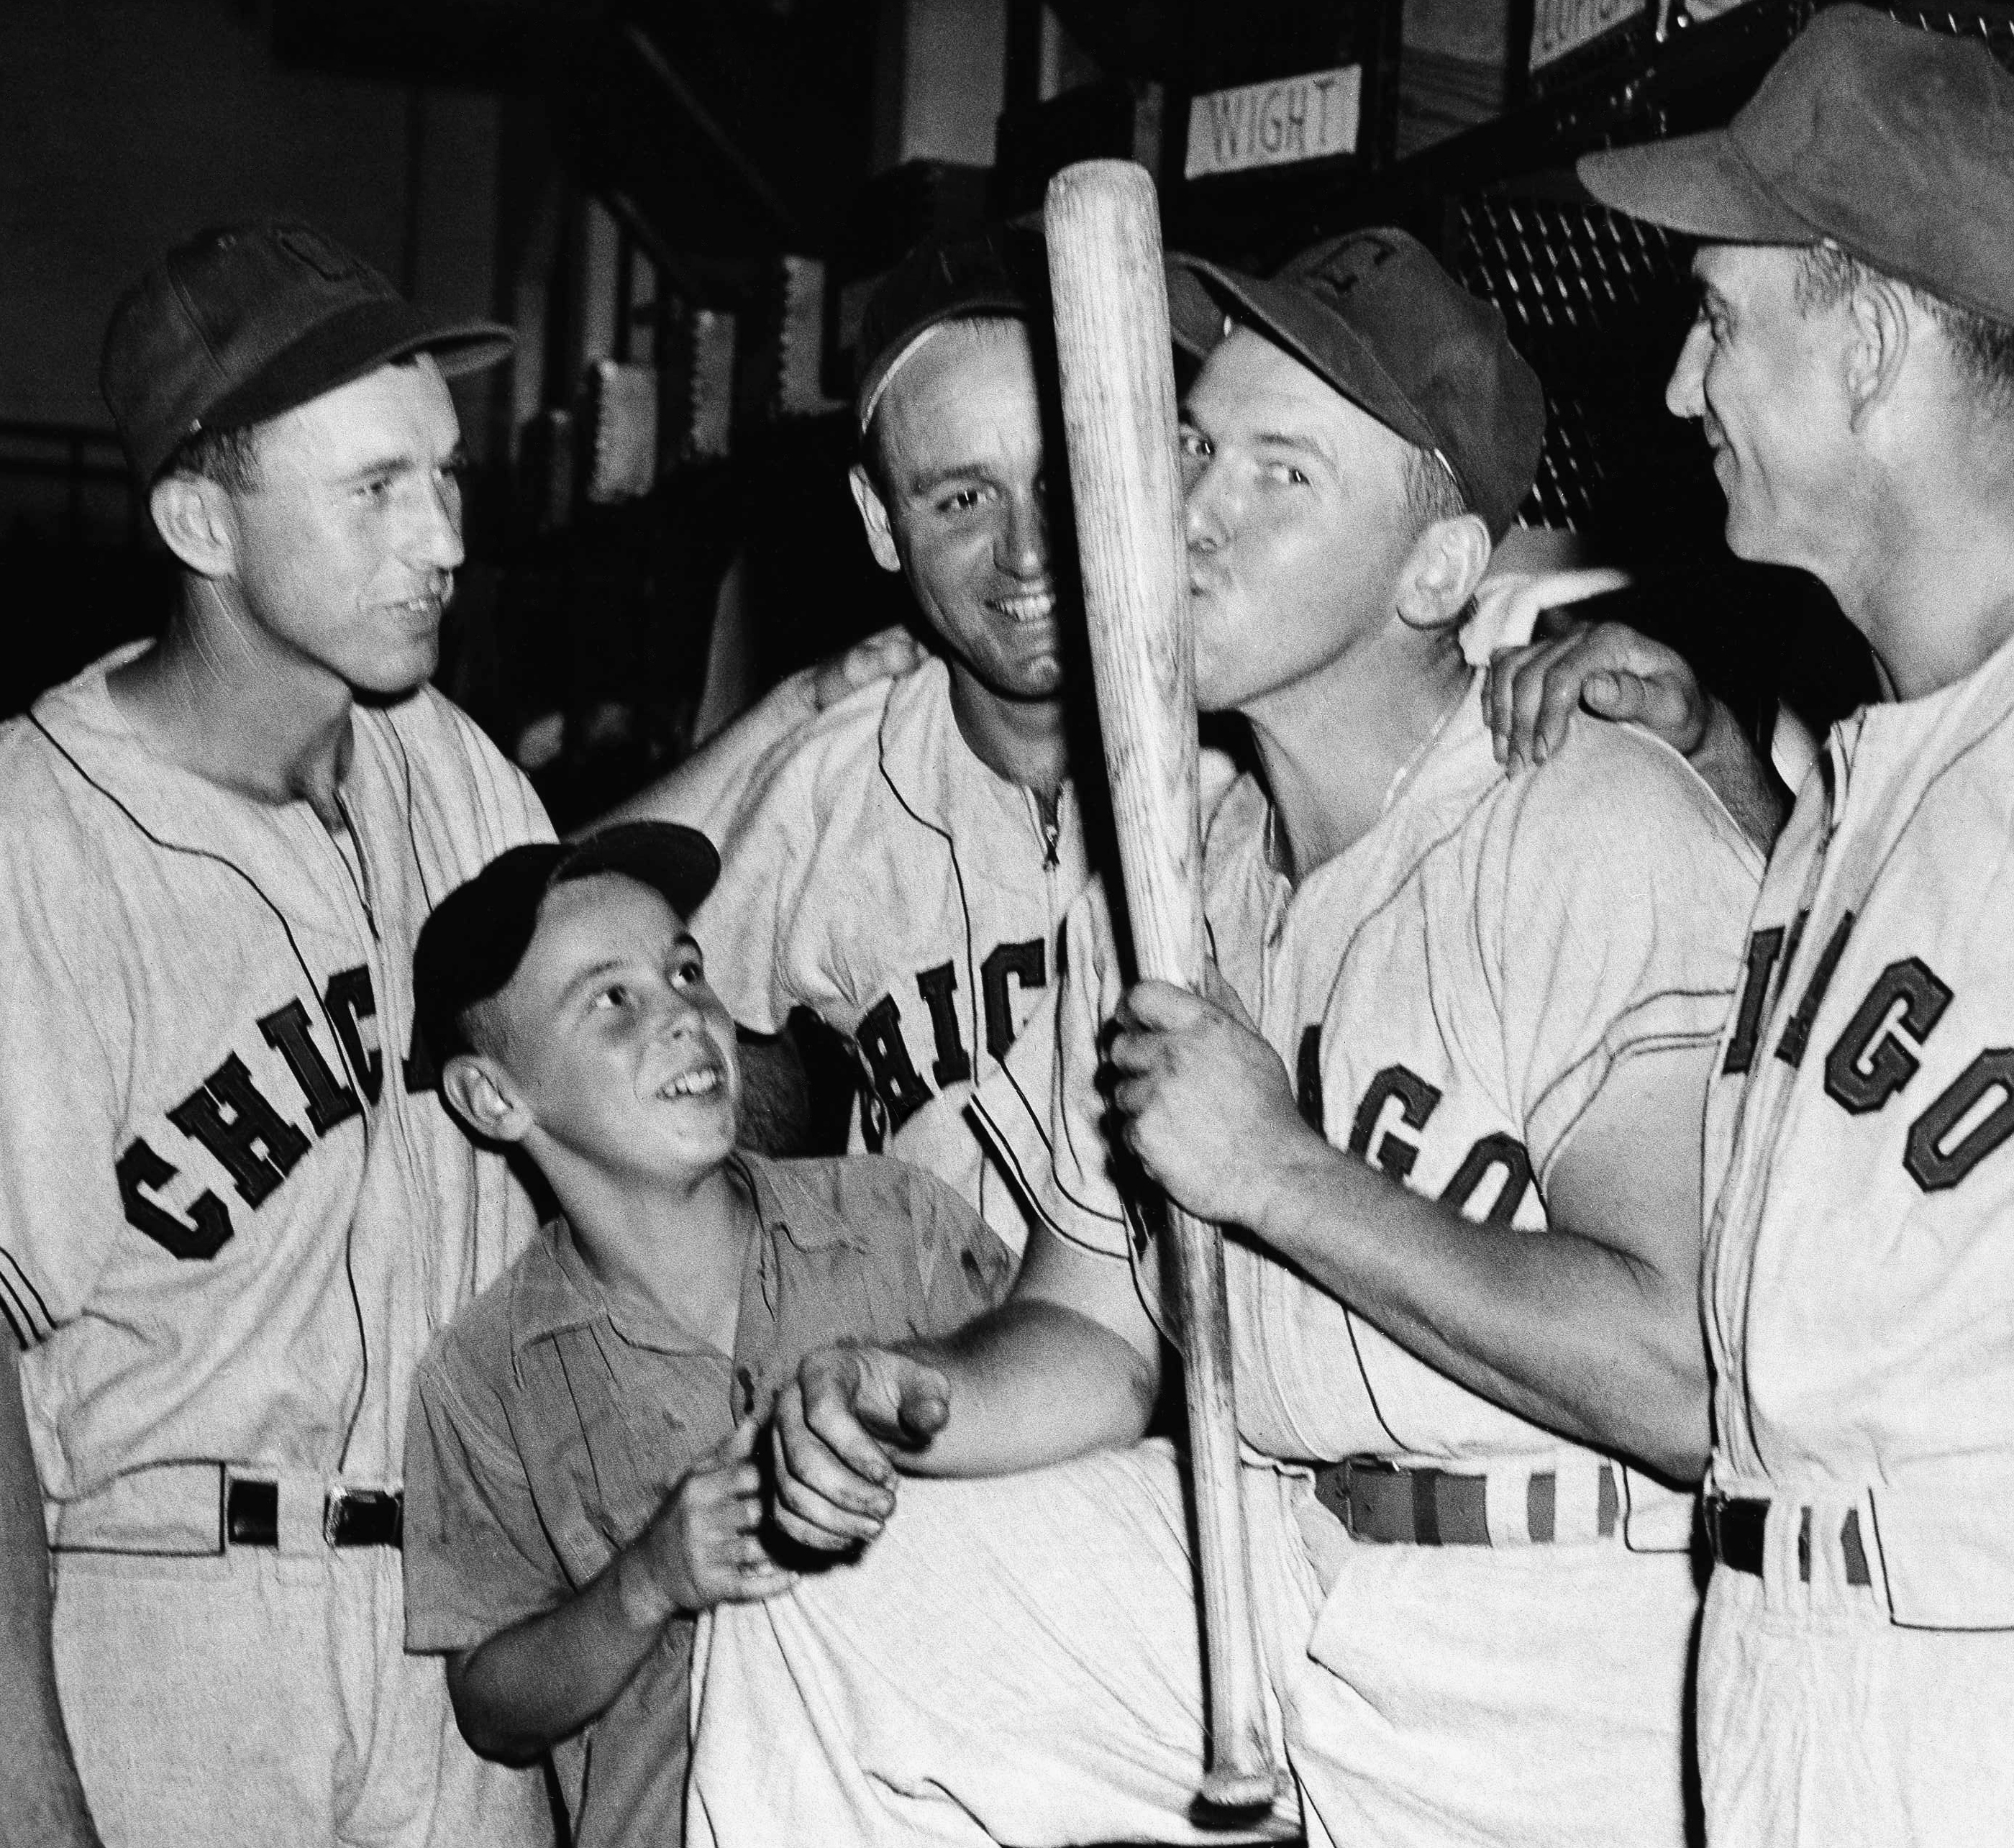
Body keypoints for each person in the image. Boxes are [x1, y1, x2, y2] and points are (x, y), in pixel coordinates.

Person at [685, 228, 1764, 1847]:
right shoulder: (1176, 879)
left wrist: (1276, 1171)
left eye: (1282, 474)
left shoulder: (1584, 819)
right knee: (833, 1604)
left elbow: (1683, 1370)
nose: (1187, 510)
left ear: (1436, 573)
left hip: (1571, 1621)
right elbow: (1101, 1333)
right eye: (1193, 446)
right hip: (1263, 1556)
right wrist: (906, 1393)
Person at [1483, 9, 2014, 1842]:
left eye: (1719, 318)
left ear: (1875, 335)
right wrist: (1727, 780)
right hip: (1788, 1663)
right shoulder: (1873, 744)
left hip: (1990, 1682)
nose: (1682, 393)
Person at [0, 221, 557, 1848]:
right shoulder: (27, 835)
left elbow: (607, 971)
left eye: (445, 475)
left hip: (454, 1636)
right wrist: (22, 1806)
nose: (438, 536)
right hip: (172, 1628)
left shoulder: (452, 768)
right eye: (374, 489)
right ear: (199, 516)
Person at [398, 821, 1012, 1848]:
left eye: (687, 970)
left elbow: (1082, 1441)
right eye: (613, 1000)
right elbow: (492, 1704)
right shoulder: (485, 1373)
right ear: (494, 1095)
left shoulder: (897, 1220)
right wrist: (647, 1580)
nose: (684, 1013)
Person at [607, 228, 1103, 1250]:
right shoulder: (832, 779)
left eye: (1058, 481)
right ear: (882, 522)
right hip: (926, 1375)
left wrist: (1533, 634)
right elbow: (569, 938)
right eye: (964, 498)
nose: (1025, 547)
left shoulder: (1240, 750)